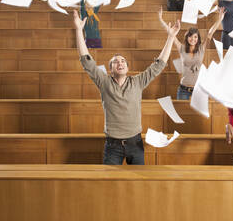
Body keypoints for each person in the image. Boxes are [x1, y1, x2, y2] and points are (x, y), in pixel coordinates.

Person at [73, 9, 180, 165]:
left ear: (127, 68)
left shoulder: (137, 82)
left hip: (135, 143)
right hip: (112, 145)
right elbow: (86, 60)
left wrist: (171, 37)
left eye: (123, 61)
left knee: (137, 185)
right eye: (116, 62)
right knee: (110, 183)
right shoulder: (104, 82)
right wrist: (78, 30)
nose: (120, 63)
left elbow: (159, 64)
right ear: (111, 69)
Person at [158, 7, 225, 100]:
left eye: (195, 37)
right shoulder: (182, 48)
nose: (193, 39)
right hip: (183, 90)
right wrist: (161, 20)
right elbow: (171, 34)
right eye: (190, 36)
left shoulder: (201, 48)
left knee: (198, 115)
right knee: (182, 113)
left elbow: (210, 32)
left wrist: (220, 19)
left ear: (198, 39)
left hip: (199, 90)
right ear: (187, 37)